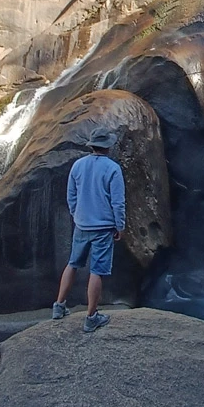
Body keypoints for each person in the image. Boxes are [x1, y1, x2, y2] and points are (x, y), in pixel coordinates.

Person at [52, 127, 126, 332]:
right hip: (103, 227)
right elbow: (118, 202)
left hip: (82, 225)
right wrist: (120, 225)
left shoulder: (78, 165)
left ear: (92, 145)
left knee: (73, 263)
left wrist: (77, 215)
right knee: (97, 271)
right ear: (108, 146)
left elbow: (71, 195)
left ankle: (59, 306)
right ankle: (91, 317)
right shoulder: (113, 169)